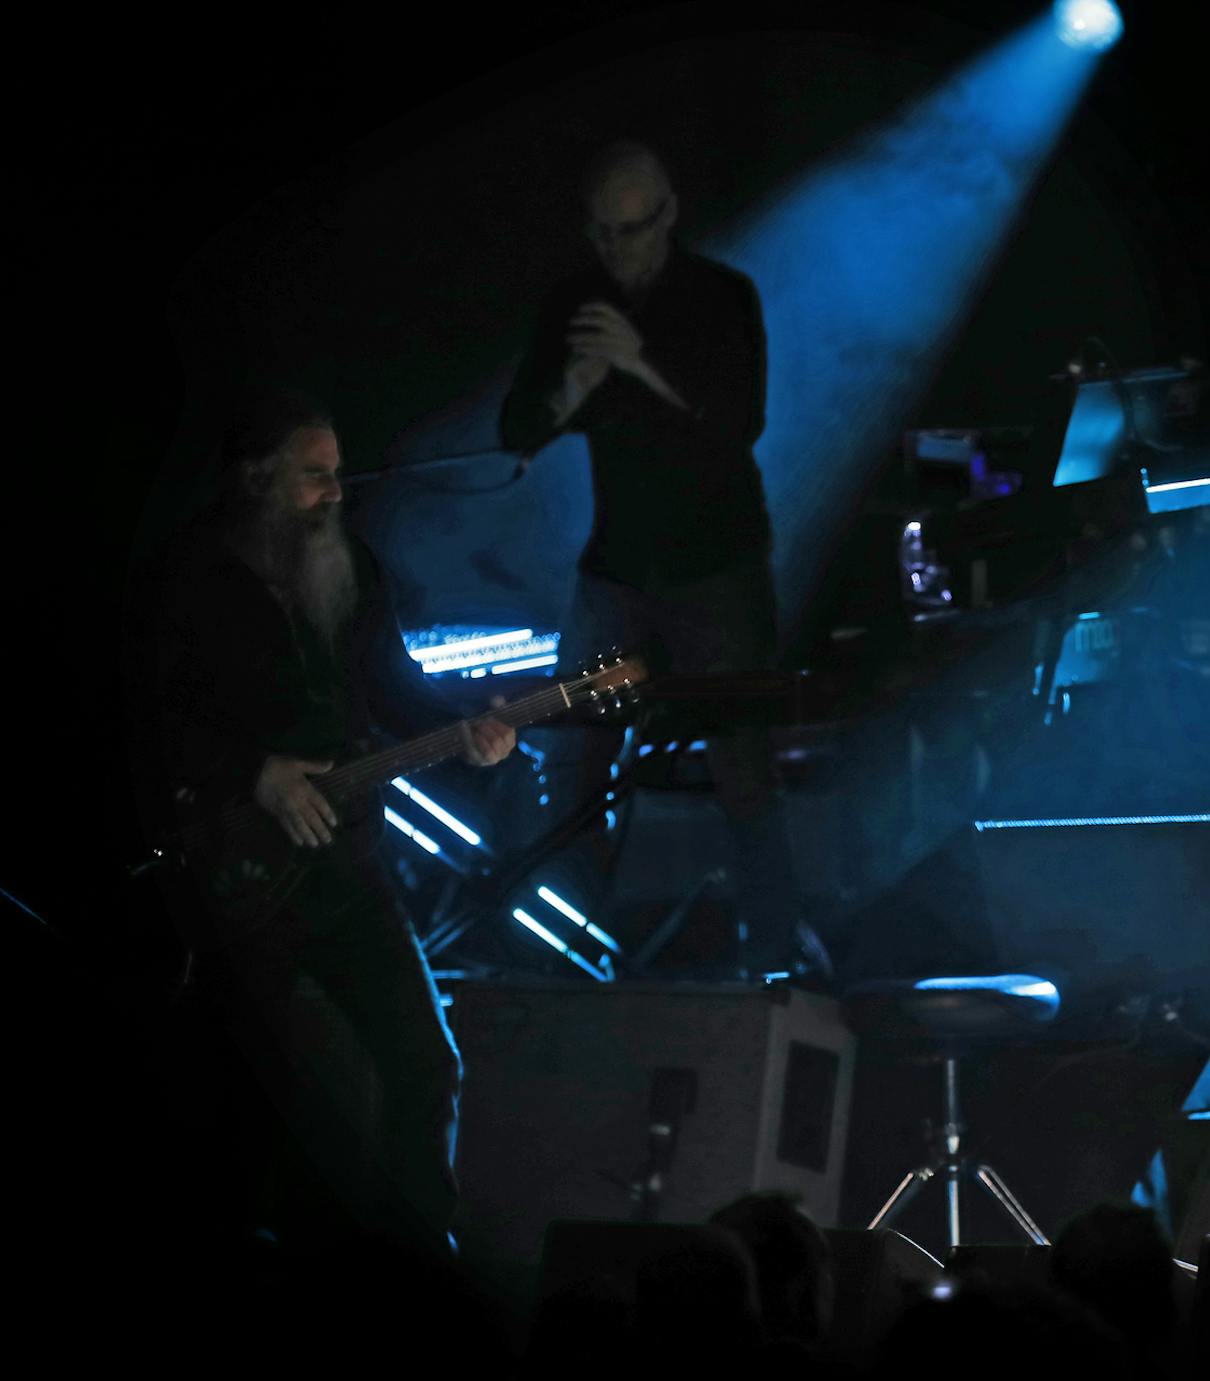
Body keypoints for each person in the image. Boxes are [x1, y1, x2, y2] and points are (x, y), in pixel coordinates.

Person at [148, 393, 515, 1253]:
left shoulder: (353, 568)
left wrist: (467, 735)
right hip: (235, 864)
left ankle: (420, 1263)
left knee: (426, 1063)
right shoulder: (192, 571)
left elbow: (395, 687)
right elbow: (149, 713)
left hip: (347, 861)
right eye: (315, 477)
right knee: (245, 1080)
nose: (335, 493)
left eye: (338, 475)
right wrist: (255, 772)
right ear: (257, 478)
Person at [499, 139, 807, 978]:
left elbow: (740, 421)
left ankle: (775, 958)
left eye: (631, 230)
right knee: (571, 757)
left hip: (718, 563)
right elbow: (516, 429)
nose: (617, 250)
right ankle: (576, 949)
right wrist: (578, 382)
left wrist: (639, 361)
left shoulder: (719, 296)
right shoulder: (576, 300)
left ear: (667, 216)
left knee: (743, 764)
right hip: (618, 567)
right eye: (602, 233)